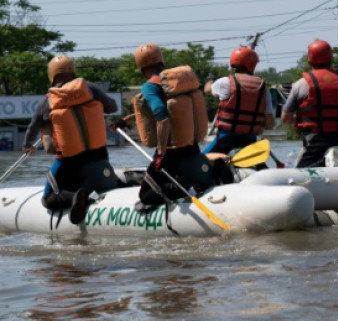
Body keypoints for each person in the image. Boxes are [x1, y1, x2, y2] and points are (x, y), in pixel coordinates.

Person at [23, 56, 118, 224]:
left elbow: (32, 127)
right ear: (73, 72)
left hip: (70, 163)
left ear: (51, 75)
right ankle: (90, 192)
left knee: (48, 198)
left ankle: (76, 197)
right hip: (100, 158)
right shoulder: (90, 88)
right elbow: (113, 107)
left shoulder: (48, 99)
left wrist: (28, 144)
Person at [121, 43, 213, 210]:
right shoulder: (175, 83)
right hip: (192, 149)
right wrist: (127, 120)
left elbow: (163, 118)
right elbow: (176, 111)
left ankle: (181, 187)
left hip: (171, 156)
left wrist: (161, 154)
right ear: (161, 60)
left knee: (145, 195)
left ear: (141, 67)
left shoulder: (150, 86)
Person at [280, 39, 338, 168]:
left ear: (309, 60)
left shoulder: (300, 85)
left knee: (300, 175)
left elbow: (285, 119)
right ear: (330, 59)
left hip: (313, 143)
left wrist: (299, 121)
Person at [203, 46, 275, 156]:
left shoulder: (225, 82)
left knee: (201, 161)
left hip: (225, 140)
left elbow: (207, 89)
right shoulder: (264, 89)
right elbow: (269, 125)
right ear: (253, 65)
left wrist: (210, 80)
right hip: (250, 144)